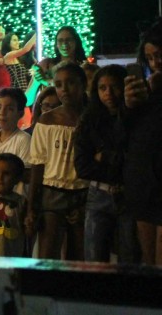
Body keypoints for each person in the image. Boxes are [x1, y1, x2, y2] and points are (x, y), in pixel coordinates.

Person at [26, 63, 89, 260]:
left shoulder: (92, 118)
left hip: (83, 193)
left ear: (83, 84)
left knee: (78, 254)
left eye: (71, 83)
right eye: (59, 84)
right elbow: (38, 165)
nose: (64, 89)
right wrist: (32, 206)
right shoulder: (46, 120)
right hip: (52, 192)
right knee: (48, 253)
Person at [75, 65, 136, 263]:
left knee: (129, 257)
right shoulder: (89, 120)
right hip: (99, 194)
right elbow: (82, 166)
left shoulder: (136, 117)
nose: (108, 93)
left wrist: (104, 157)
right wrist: (115, 160)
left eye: (114, 87)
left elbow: (135, 161)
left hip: (129, 194)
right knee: (94, 259)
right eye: (102, 88)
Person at [123, 20, 162, 265]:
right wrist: (128, 106)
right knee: (148, 260)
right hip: (144, 184)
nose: (155, 63)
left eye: (159, 55)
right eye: (149, 58)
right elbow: (125, 136)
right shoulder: (144, 93)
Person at [0, 88, 31, 194]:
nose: (2, 113)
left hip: (14, 202)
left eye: (9, 109)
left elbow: (26, 175)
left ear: (20, 113)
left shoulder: (24, 139)